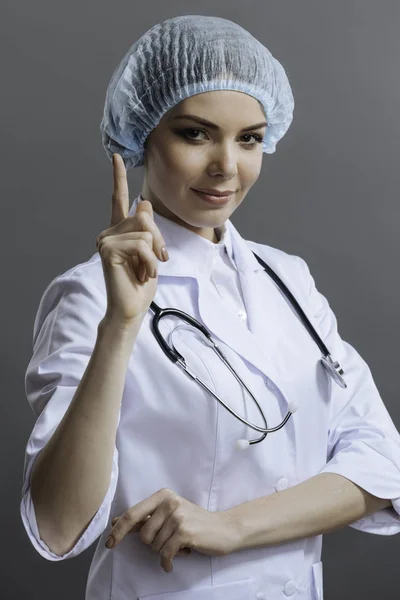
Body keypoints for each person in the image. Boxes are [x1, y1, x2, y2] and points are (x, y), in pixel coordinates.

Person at [20, 14, 400, 600]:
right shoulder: (90, 296)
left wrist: (230, 527)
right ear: (141, 135)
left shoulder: (289, 278)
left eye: (249, 137)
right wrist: (121, 326)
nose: (227, 166)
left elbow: (383, 467)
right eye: (196, 134)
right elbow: (58, 527)